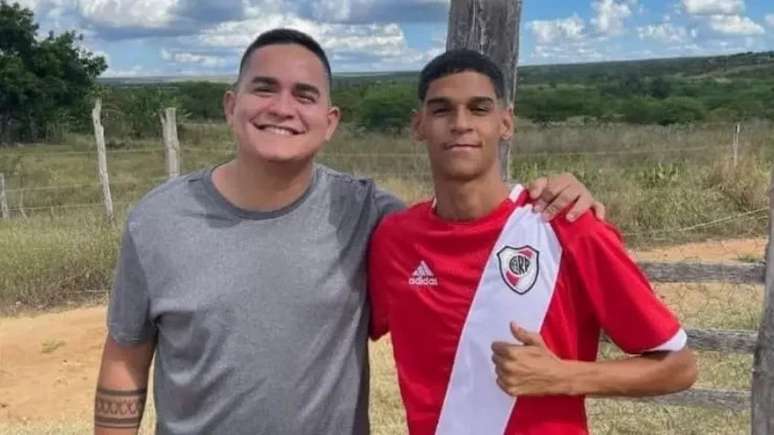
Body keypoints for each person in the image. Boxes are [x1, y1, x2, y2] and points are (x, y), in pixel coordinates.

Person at [93, 29, 601, 435]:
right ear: (232, 105)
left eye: (305, 95)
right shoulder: (158, 220)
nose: (283, 108)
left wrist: (560, 196)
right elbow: (126, 356)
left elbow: (469, 230)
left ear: (329, 120)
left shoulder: (370, 216)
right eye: (264, 88)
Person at [367, 49, 698, 435]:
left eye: (479, 109)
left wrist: (562, 376)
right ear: (418, 125)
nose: (460, 124)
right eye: (442, 110)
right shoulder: (395, 239)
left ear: (505, 123)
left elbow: (680, 366)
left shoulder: (566, 224)